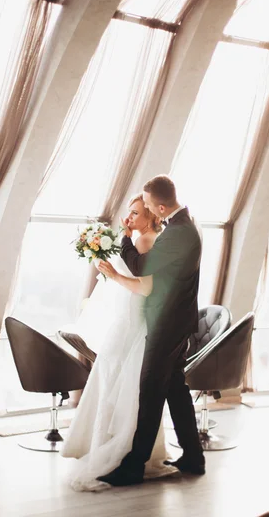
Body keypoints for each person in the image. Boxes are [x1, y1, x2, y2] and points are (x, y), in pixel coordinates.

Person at [61, 194, 175, 491]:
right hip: (124, 318)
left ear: (151, 216)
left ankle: (117, 449)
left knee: (120, 383)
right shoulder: (138, 239)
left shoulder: (146, 242)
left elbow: (146, 289)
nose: (130, 218)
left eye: (136, 213)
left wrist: (112, 274)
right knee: (112, 381)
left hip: (132, 321)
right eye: (129, 212)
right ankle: (106, 445)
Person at [97, 174, 204, 487]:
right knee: (174, 389)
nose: (141, 207)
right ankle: (194, 457)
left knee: (151, 391)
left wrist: (126, 239)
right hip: (175, 320)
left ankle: (133, 467)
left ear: (158, 207)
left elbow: (142, 267)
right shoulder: (184, 224)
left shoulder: (180, 233)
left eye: (145, 204)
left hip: (168, 323)